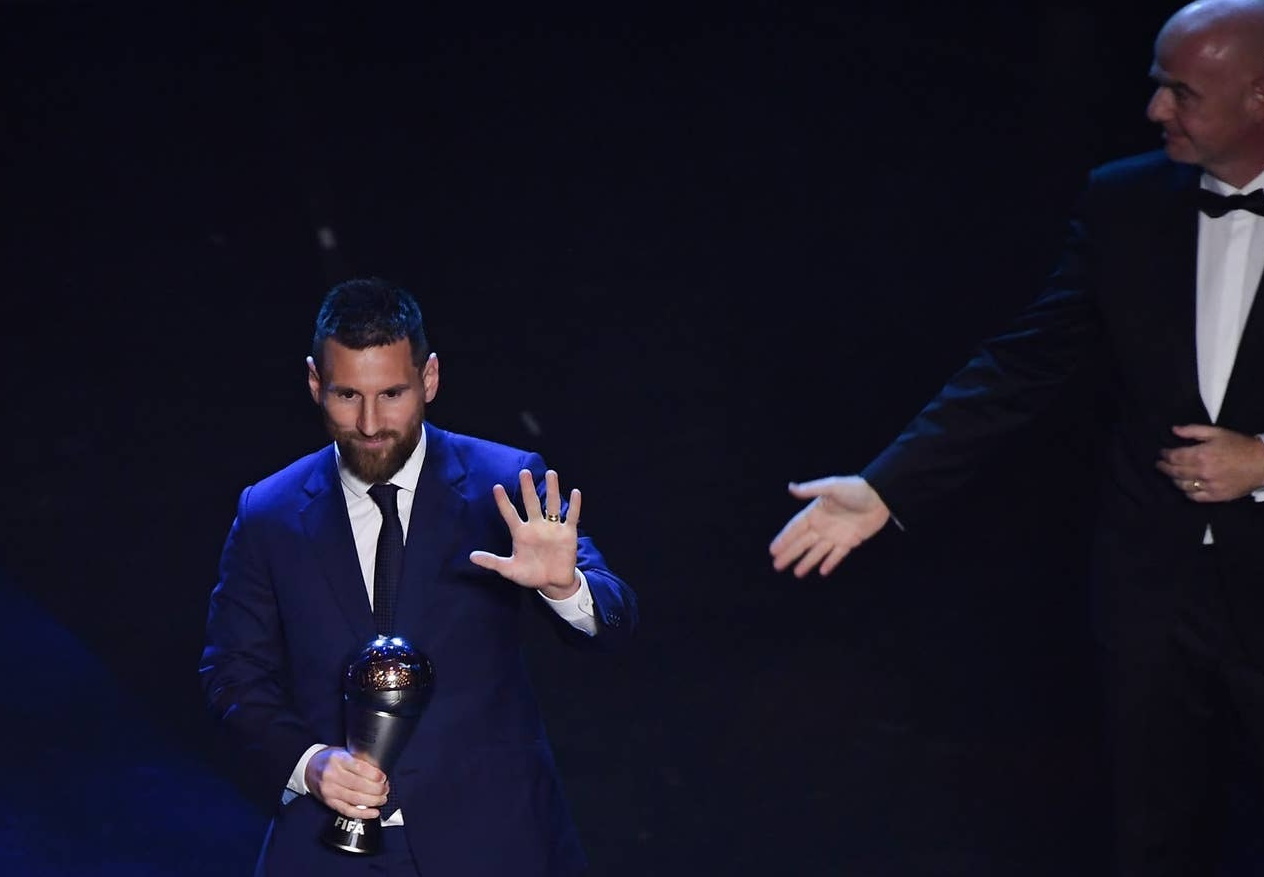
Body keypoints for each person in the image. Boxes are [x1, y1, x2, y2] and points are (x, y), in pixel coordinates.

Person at [769, 0, 1264, 873]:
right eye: (1157, 85)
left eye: (1182, 92)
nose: (1155, 109)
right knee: (1153, 835)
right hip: (1153, 592)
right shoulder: (1124, 202)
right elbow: (1023, 364)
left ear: (1259, 96)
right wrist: (887, 485)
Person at [199, 277, 637, 877]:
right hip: (327, 846)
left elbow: (615, 618)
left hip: (492, 842)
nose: (370, 423)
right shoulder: (268, 513)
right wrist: (310, 765)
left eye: (392, 394)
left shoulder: (504, 483)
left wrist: (565, 589)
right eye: (347, 395)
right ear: (314, 383)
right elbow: (232, 675)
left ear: (429, 378)